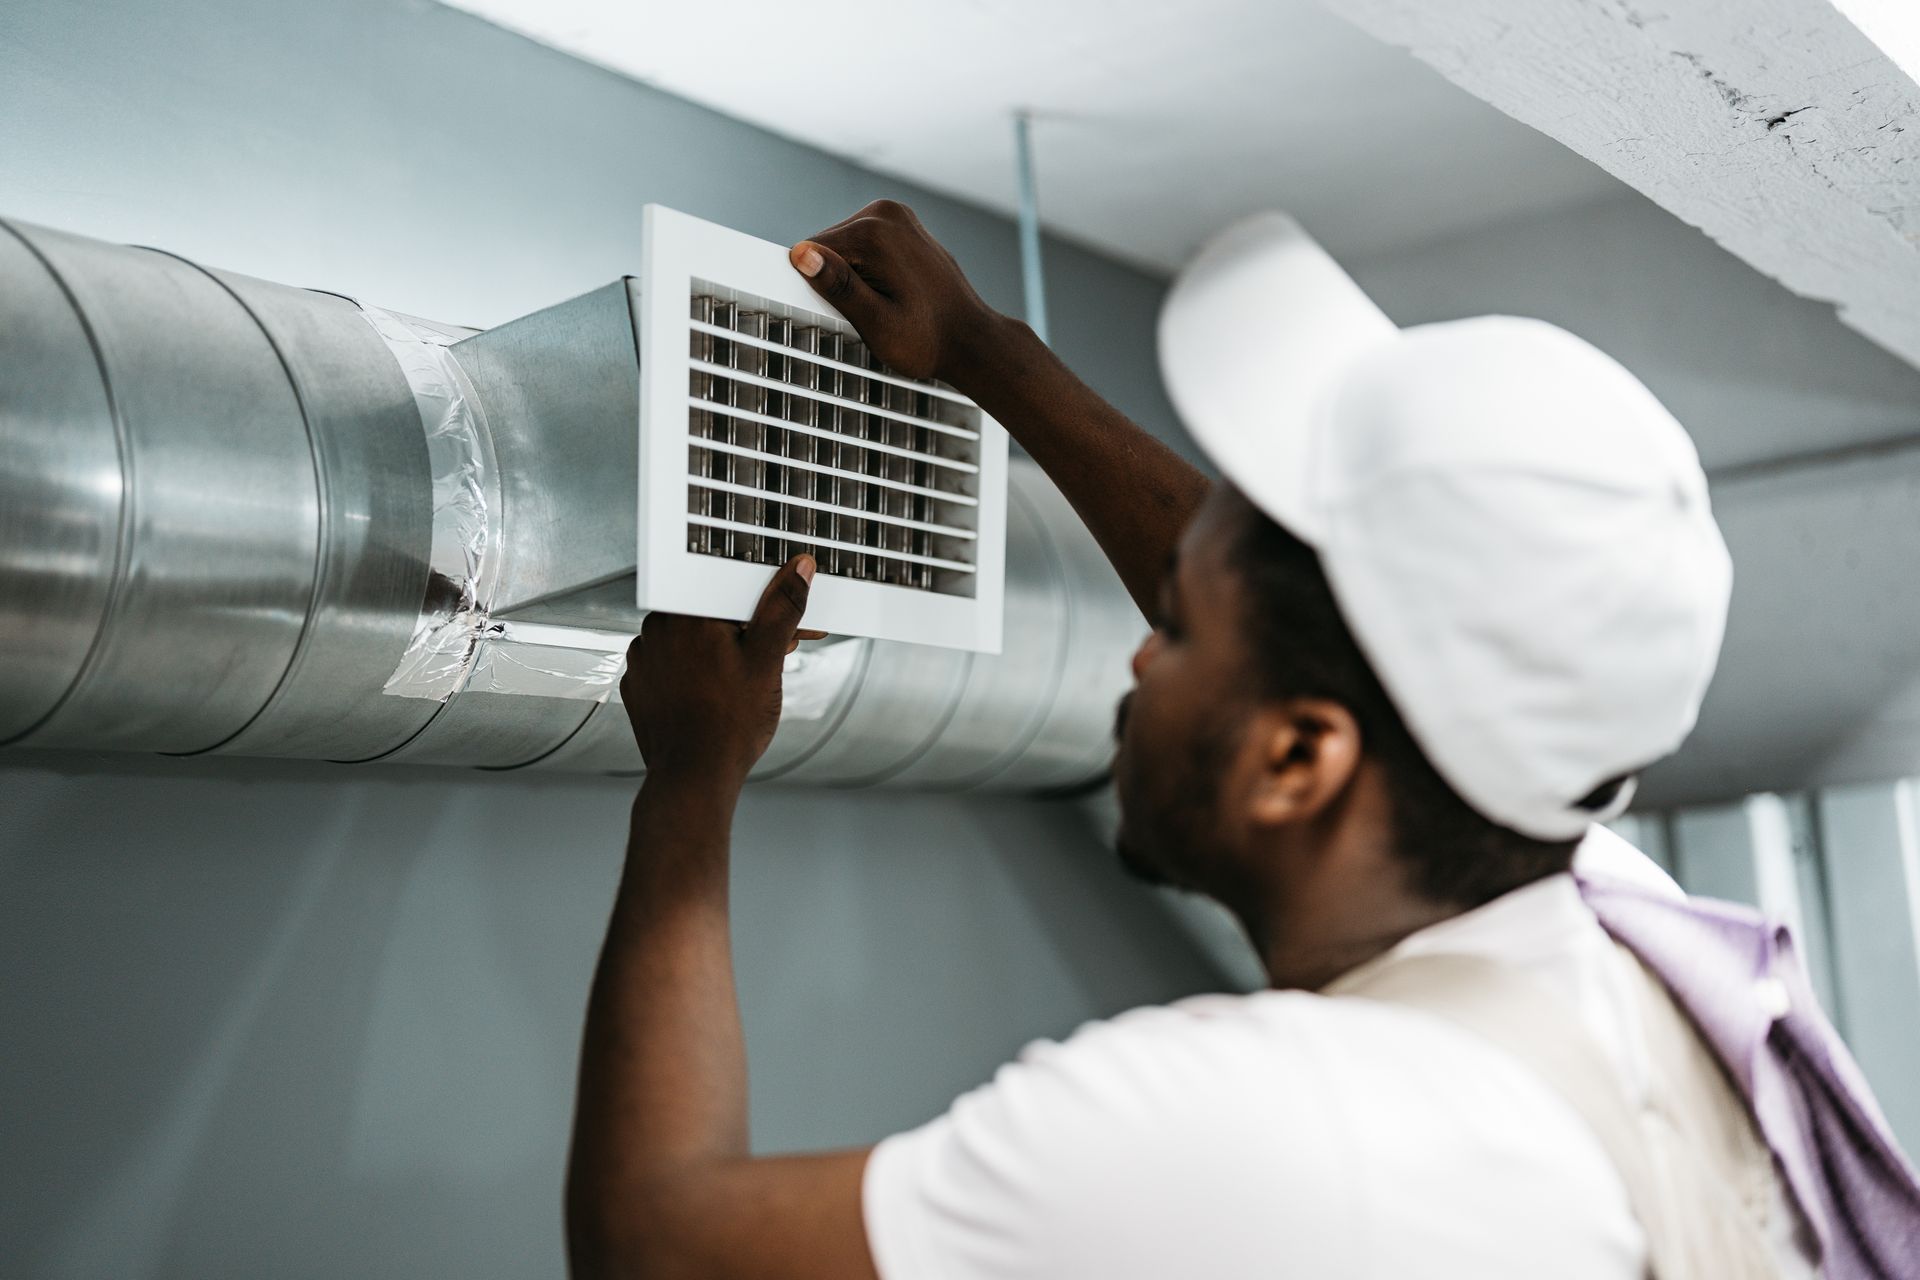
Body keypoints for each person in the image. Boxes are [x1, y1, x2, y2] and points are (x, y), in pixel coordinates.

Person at [563, 201, 1920, 1279]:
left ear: (1296, 762)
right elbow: (1291, 608)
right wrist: (984, 353)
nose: (1143, 650)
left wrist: (691, 783)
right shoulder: (1611, 921)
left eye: (1183, 632)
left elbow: (656, 1247)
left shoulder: (1295, 1133)